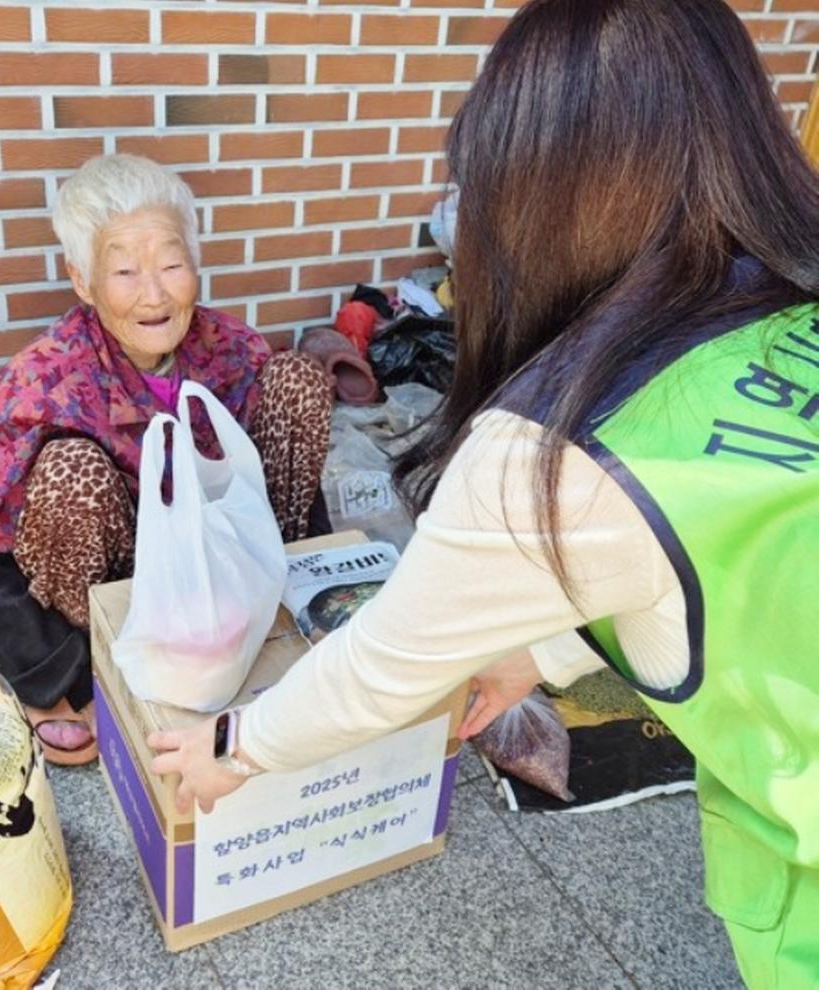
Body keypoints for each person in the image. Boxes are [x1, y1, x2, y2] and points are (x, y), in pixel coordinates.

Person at [148, 1, 819, 986]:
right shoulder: (783, 288)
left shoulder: (554, 448)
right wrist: (535, 640)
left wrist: (234, 749)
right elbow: (714, 551)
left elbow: (381, 672)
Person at [0, 154, 332, 765]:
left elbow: (290, 478)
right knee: (70, 469)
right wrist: (47, 664)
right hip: (119, 580)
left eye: (172, 264)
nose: (154, 295)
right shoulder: (44, 379)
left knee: (299, 379)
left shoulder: (234, 349)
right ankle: (102, 666)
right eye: (125, 270)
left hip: (222, 555)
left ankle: (268, 613)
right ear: (83, 282)